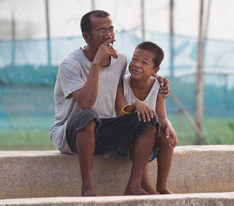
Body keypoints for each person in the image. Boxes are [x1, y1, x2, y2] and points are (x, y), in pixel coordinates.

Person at [49, 10, 169, 196]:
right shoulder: (70, 64)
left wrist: (158, 80)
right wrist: (96, 63)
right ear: (86, 37)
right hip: (71, 133)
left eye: (111, 29)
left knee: (149, 119)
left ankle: (133, 187)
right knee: (89, 116)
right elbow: (86, 103)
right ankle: (88, 188)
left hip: (105, 130)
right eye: (102, 31)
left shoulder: (119, 60)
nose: (109, 35)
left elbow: (135, 78)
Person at [115, 41, 178, 195]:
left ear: (155, 70)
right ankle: (145, 186)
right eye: (134, 59)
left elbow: (162, 117)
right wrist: (136, 105)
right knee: (143, 133)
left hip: (147, 137)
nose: (137, 64)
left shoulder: (158, 86)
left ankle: (161, 186)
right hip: (123, 139)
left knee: (167, 139)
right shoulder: (122, 83)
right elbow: (119, 113)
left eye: (144, 62)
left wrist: (169, 127)